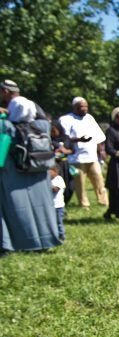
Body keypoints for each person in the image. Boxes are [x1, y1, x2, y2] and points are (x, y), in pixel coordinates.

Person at [0, 87, 61, 255]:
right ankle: (45, 241)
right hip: (40, 174)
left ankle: (10, 244)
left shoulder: (7, 127)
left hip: (14, 176)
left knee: (16, 211)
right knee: (43, 210)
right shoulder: (43, 126)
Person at [59, 97, 108, 209]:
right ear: (75, 107)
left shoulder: (89, 118)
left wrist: (101, 150)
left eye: (86, 106)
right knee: (79, 183)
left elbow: (99, 136)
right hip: (76, 158)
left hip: (92, 156)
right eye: (81, 106)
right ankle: (84, 204)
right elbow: (63, 138)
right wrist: (78, 140)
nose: (84, 108)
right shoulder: (66, 119)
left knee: (99, 180)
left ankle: (103, 201)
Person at [49, 164, 66, 241]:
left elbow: (55, 189)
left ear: (55, 172)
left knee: (59, 222)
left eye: (49, 171)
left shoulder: (59, 179)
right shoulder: (47, 180)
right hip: (49, 206)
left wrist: (47, 185)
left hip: (58, 206)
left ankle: (61, 235)